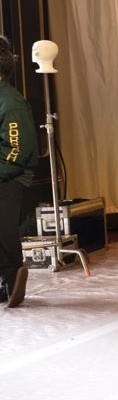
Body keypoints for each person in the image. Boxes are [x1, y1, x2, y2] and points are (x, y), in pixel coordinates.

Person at [0, 36, 37, 309]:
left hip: (11, 176)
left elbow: (16, 150)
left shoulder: (10, 102)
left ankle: (14, 280)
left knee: (3, 229)